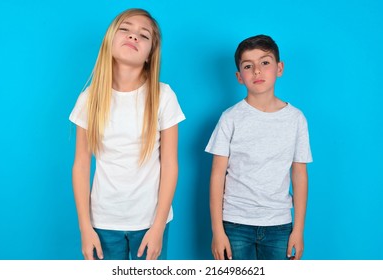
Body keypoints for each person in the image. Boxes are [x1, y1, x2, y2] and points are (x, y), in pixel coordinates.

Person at [69, 8, 185, 260]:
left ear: (149, 54)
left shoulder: (163, 96)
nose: (133, 37)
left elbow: (170, 165)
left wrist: (157, 227)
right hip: (102, 222)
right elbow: (80, 165)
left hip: (150, 221)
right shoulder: (89, 99)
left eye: (143, 35)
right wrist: (85, 227)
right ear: (110, 39)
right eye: (125, 29)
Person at [205, 35, 312, 260]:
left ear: (279, 68)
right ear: (239, 77)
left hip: (279, 224)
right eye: (248, 66)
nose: (257, 71)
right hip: (235, 223)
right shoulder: (230, 118)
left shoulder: (296, 119)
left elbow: (299, 174)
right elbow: (217, 175)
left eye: (265, 62)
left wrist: (298, 230)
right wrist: (218, 231)